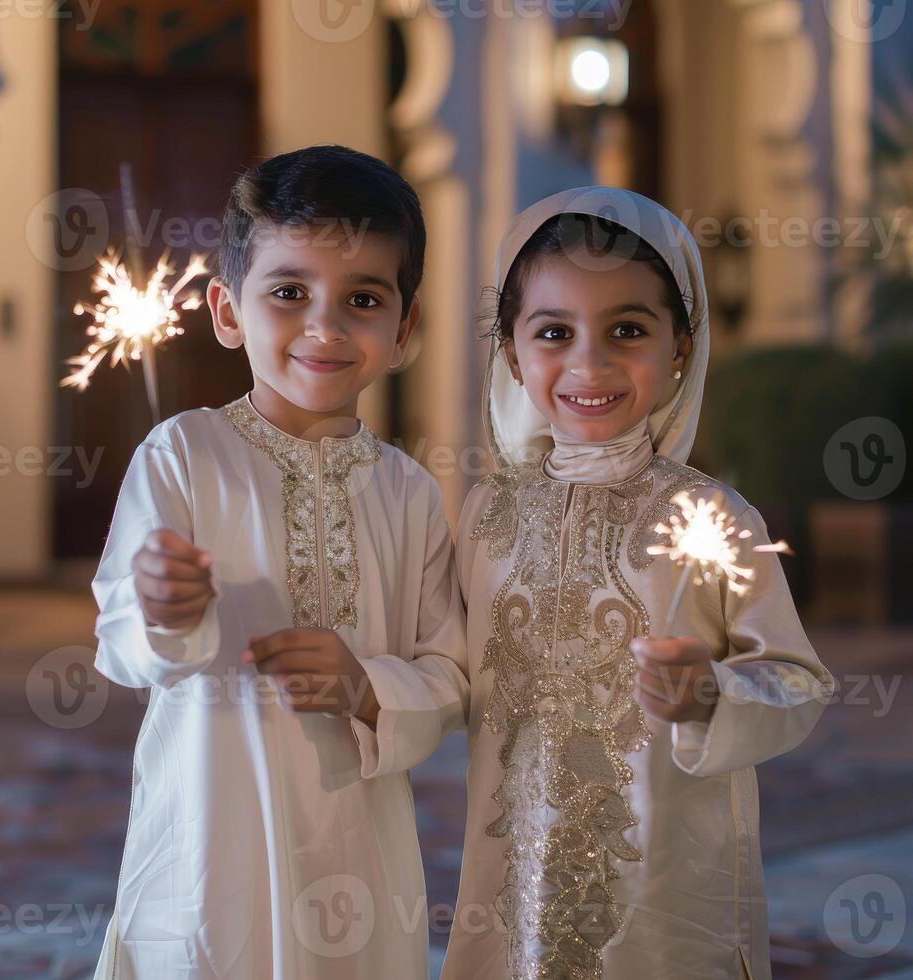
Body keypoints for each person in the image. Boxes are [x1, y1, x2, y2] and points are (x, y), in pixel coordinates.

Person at [90, 145, 468, 980]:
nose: (325, 327)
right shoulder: (184, 454)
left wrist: (370, 687)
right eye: (289, 292)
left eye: (362, 299)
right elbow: (121, 642)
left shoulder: (407, 492)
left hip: (357, 844)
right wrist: (165, 611)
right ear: (227, 311)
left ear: (404, 329)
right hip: (210, 831)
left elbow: (448, 671)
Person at [440, 187, 835, 980]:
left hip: (665, 899)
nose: (591, 362)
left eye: (628, 329)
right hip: (511, 881)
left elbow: (797, 682)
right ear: (513, 356)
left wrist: (712, 695)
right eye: (554, 332)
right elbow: (447, 668)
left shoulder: (710, 516)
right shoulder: (486, 515)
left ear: (681, 346)